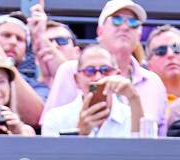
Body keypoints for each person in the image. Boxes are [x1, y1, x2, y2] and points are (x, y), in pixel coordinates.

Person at [40, 0, 166, 131]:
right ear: (100, 31)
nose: (125, 26)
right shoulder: (70, 70)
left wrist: (134, 98)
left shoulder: (154, 82)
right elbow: (52, 129)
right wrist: (80, 133)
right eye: (116, 20)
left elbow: (152, 140)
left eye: (133, 22)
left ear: (139, 34)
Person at [146, 24, 180, 107]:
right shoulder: (144, 100)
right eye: (161, 51)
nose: (170, 54)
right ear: (150, 66)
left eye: (176, 48)